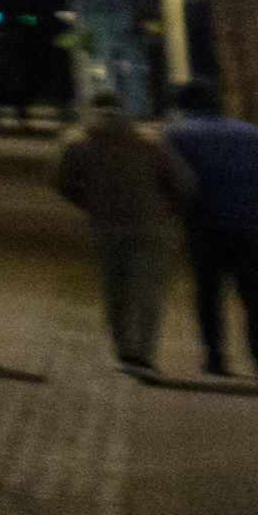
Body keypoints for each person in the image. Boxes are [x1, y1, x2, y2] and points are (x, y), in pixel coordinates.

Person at [157, 81, 258, 386]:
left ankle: (215, 355)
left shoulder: (174, 136)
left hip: (203, 225)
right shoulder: (254, 135)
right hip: (251, 225)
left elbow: (168, 182)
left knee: (208, 291)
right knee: (255, 296)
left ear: (183, 106)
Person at [53, 95, 199, 376]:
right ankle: (142, 353)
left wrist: (90, 203)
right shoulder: (151, 144)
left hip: (105, 229)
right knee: (148, 293)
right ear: (123, 112)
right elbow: (185, 184)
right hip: (151, 227)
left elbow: (64, 184)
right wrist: (168, 209)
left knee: (115, 291)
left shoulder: (79, 146)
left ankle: (123, 350)